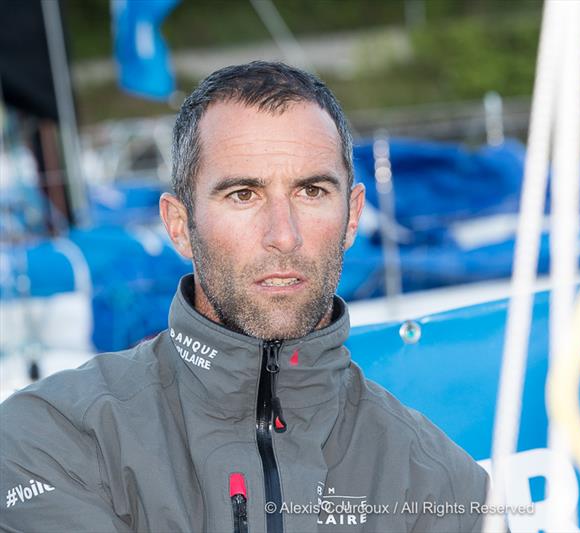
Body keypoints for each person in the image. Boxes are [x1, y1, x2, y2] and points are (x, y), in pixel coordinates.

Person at [0, 62, 489, 532]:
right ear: (179, 225)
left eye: (311, 191)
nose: (283, 235)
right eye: (243, 194)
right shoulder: (50, 437)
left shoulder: (441, 481)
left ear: (353, 215)